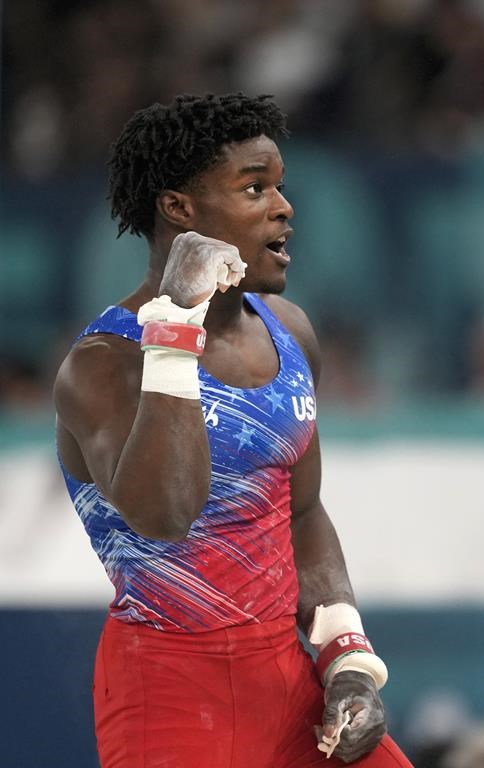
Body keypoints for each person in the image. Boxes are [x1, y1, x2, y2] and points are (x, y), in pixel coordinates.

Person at [54, 93, 413, 768]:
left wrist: (347, 661)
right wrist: (174, 328)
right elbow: (165, 514)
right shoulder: (102, 365)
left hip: (284, 677)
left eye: (279, 185)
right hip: (166, 687)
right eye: (254, 188)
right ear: (180, 210)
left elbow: (302, 513)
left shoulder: (291, 331)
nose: (284, 208)